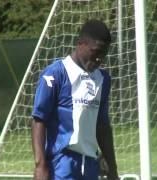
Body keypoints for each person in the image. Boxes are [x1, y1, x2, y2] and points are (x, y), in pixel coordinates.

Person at [31, 19, 119, 180]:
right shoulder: (55, 74)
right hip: (61, 163)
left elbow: (102, 126)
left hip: (91, 164)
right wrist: (40, 165)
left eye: (104, 53)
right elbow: (39, 120)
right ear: (81, 44)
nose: (100, 58)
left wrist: (112, 167)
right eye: (96, 51)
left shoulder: (103, 79)